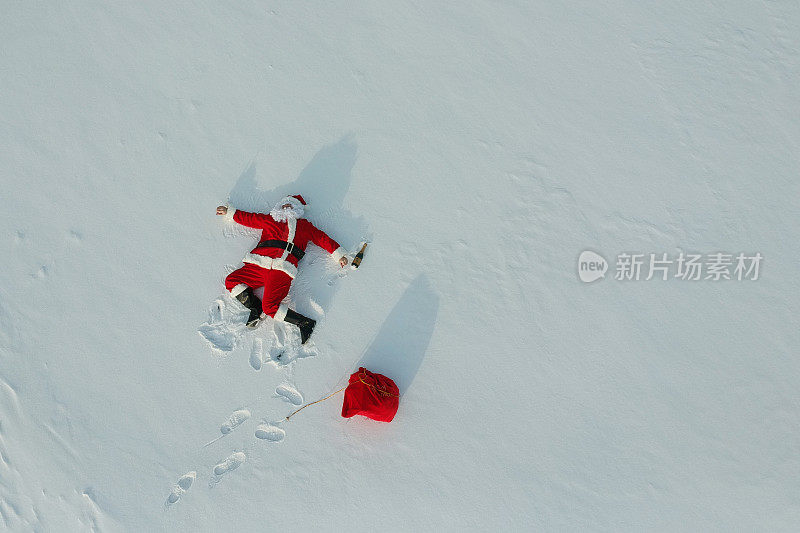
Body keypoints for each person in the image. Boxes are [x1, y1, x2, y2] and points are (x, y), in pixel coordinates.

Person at [216, 194, 348, 342]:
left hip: (282, 270)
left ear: (297, 209)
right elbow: (250, 218)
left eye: (290, 205)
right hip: (259, 264)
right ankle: (255, 308)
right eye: (284, 205)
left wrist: (338, 254)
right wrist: (230, 212)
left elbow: (322, 238)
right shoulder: (270, 220)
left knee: (270, 307)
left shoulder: (304, 226)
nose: (286, 207)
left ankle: (305, 323)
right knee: (231, 280)